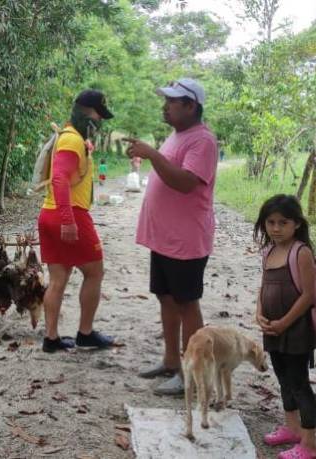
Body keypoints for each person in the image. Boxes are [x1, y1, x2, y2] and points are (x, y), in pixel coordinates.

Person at [126, 78, 218, 395]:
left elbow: (185, 182)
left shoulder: (202, 141)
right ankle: (171, 362)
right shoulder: (177, 136)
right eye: (165, 100)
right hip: (165, 239)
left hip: (186, 240)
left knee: (186, 303)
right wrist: (154, 154)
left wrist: (152, 155)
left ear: (191, 106)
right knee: (166, 298)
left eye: (172, 102)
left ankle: (193, 371)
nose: (165, 106)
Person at [38, 89, 116, 353]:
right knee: (94, 272)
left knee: (58, 279)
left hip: (49, 213)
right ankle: (85, 333)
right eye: (98, 115)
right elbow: (59, 179)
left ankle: (51, 338)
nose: (99, 121)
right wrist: (68, 221)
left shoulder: (70, 137)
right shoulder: (71, 140)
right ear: (85, 112)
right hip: (69, 213)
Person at [254, 195, 316, 459]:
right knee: (282, 378)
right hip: (272, 328)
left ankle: (310, 444)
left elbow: (307, 295)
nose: (276, 228)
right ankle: (292, 428)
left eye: (283, 222)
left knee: (299, 383)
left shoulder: (301, 252)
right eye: (270, 222)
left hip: (295, 331)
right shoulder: (269, 251)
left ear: (296, 224)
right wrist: (259, 313)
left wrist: (284, 323)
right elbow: (263, 287)